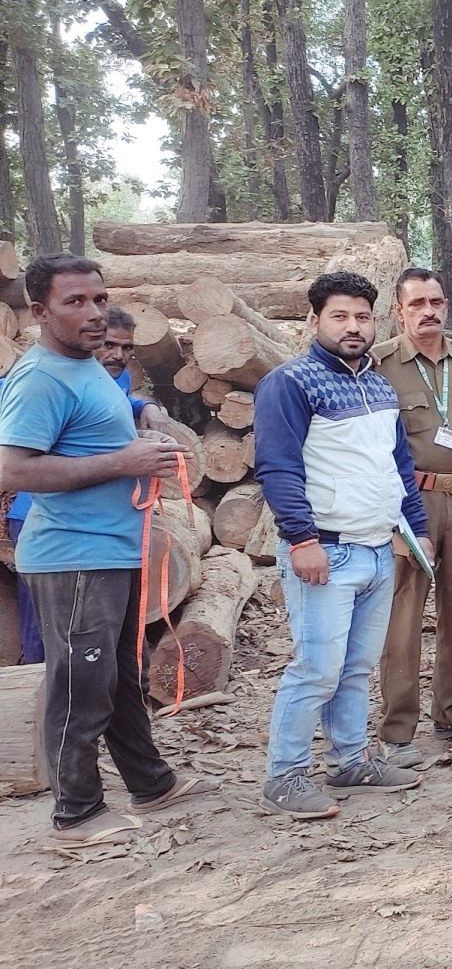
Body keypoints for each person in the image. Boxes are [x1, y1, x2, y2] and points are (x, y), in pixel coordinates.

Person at [0, 253, 218, 850]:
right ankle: (76, 813)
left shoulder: (85, 367)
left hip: (113, 549)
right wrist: (125, 462)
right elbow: (13, 469)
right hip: (74, 557)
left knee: (122, 676)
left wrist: (138, 428)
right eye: (76, 302)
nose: (94, 313)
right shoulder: (39, 378)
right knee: (81, 684)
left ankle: (151, 783)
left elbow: (89, 430)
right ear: (40, 312)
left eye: (99, 298)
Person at [253, 271, 432, 820]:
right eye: (340, 316)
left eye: (361, 316)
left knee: (355, 667)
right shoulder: (292, 383)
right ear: (314, 320)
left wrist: (415, 527)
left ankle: (350, 760)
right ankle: (284, 776)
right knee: (316, 669)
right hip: (325, 553)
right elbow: (278, 467)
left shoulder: (378, 385)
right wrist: (301, 539)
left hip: (378, 547)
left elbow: (397, 464)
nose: (353, 327)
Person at [369, 268, 452, 768]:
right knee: (404, 613)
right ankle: (398, 729)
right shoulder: (380, 365)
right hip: (412, 503)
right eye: (417, 303)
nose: (429, 311)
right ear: (399, 311)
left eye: (436, 302)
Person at [2, 306, 165, 667]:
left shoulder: (111, 379)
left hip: (102, 536)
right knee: (46, 632)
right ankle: (34, 693)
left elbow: (116, 404)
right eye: (108, 344)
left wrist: (146, 404)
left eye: (126, 347)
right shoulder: (41, 379)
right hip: (42, 518)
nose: (117, 355)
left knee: (99, 652)